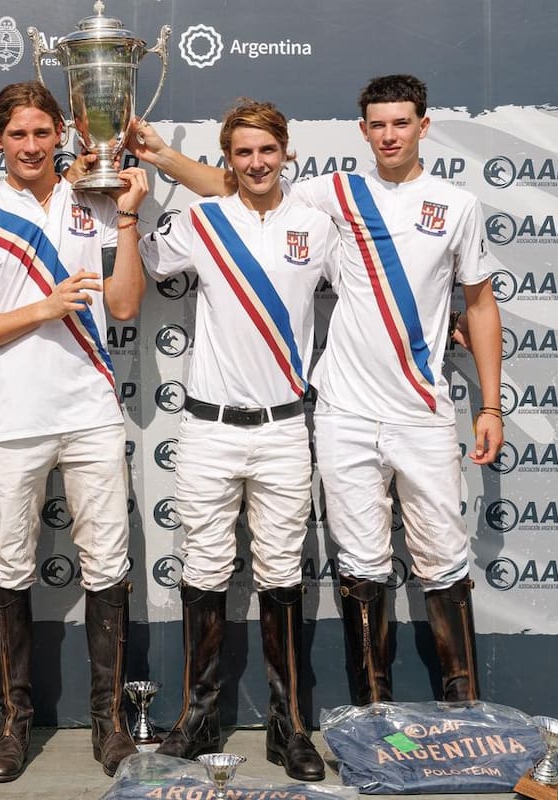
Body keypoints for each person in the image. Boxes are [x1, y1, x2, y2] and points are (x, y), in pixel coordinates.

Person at [127, 74, 503, 706]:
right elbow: (237, 190)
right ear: (362, 131)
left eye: (401, 122)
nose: (389, 135)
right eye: (377, 124)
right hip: (344, 413)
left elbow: (481, 301)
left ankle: (463, 709)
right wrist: (163, 158)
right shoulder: (332, 196)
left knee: (443, 555)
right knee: (360, 565)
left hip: (424, 409)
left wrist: (490, 403)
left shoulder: (457, 204)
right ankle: (371, 713)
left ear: (423, 125)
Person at [0, 81, 149, 781]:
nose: (32, 146)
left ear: (63, 132)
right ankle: (13, 721)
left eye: (42, 133)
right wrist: (43, 308)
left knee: (108, 567)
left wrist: (126, 219)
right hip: (14, 419)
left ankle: (110, 723)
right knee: (6, 568)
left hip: (90, 412)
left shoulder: (94, 200)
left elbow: (121, 306)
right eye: (18, 134)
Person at [138, 99, 334, 781]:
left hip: (285, 428)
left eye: (267, 150)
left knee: (283, 577)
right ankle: (199, 717)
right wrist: (131, 192)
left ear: (286, 151)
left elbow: (370, 301)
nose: (256, 163)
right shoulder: (201, 220)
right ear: (228, 160)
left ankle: (290, 726)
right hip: (208, 428)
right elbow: (144, 272)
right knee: (203, 570)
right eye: (243, 153)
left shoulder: (318, 225)